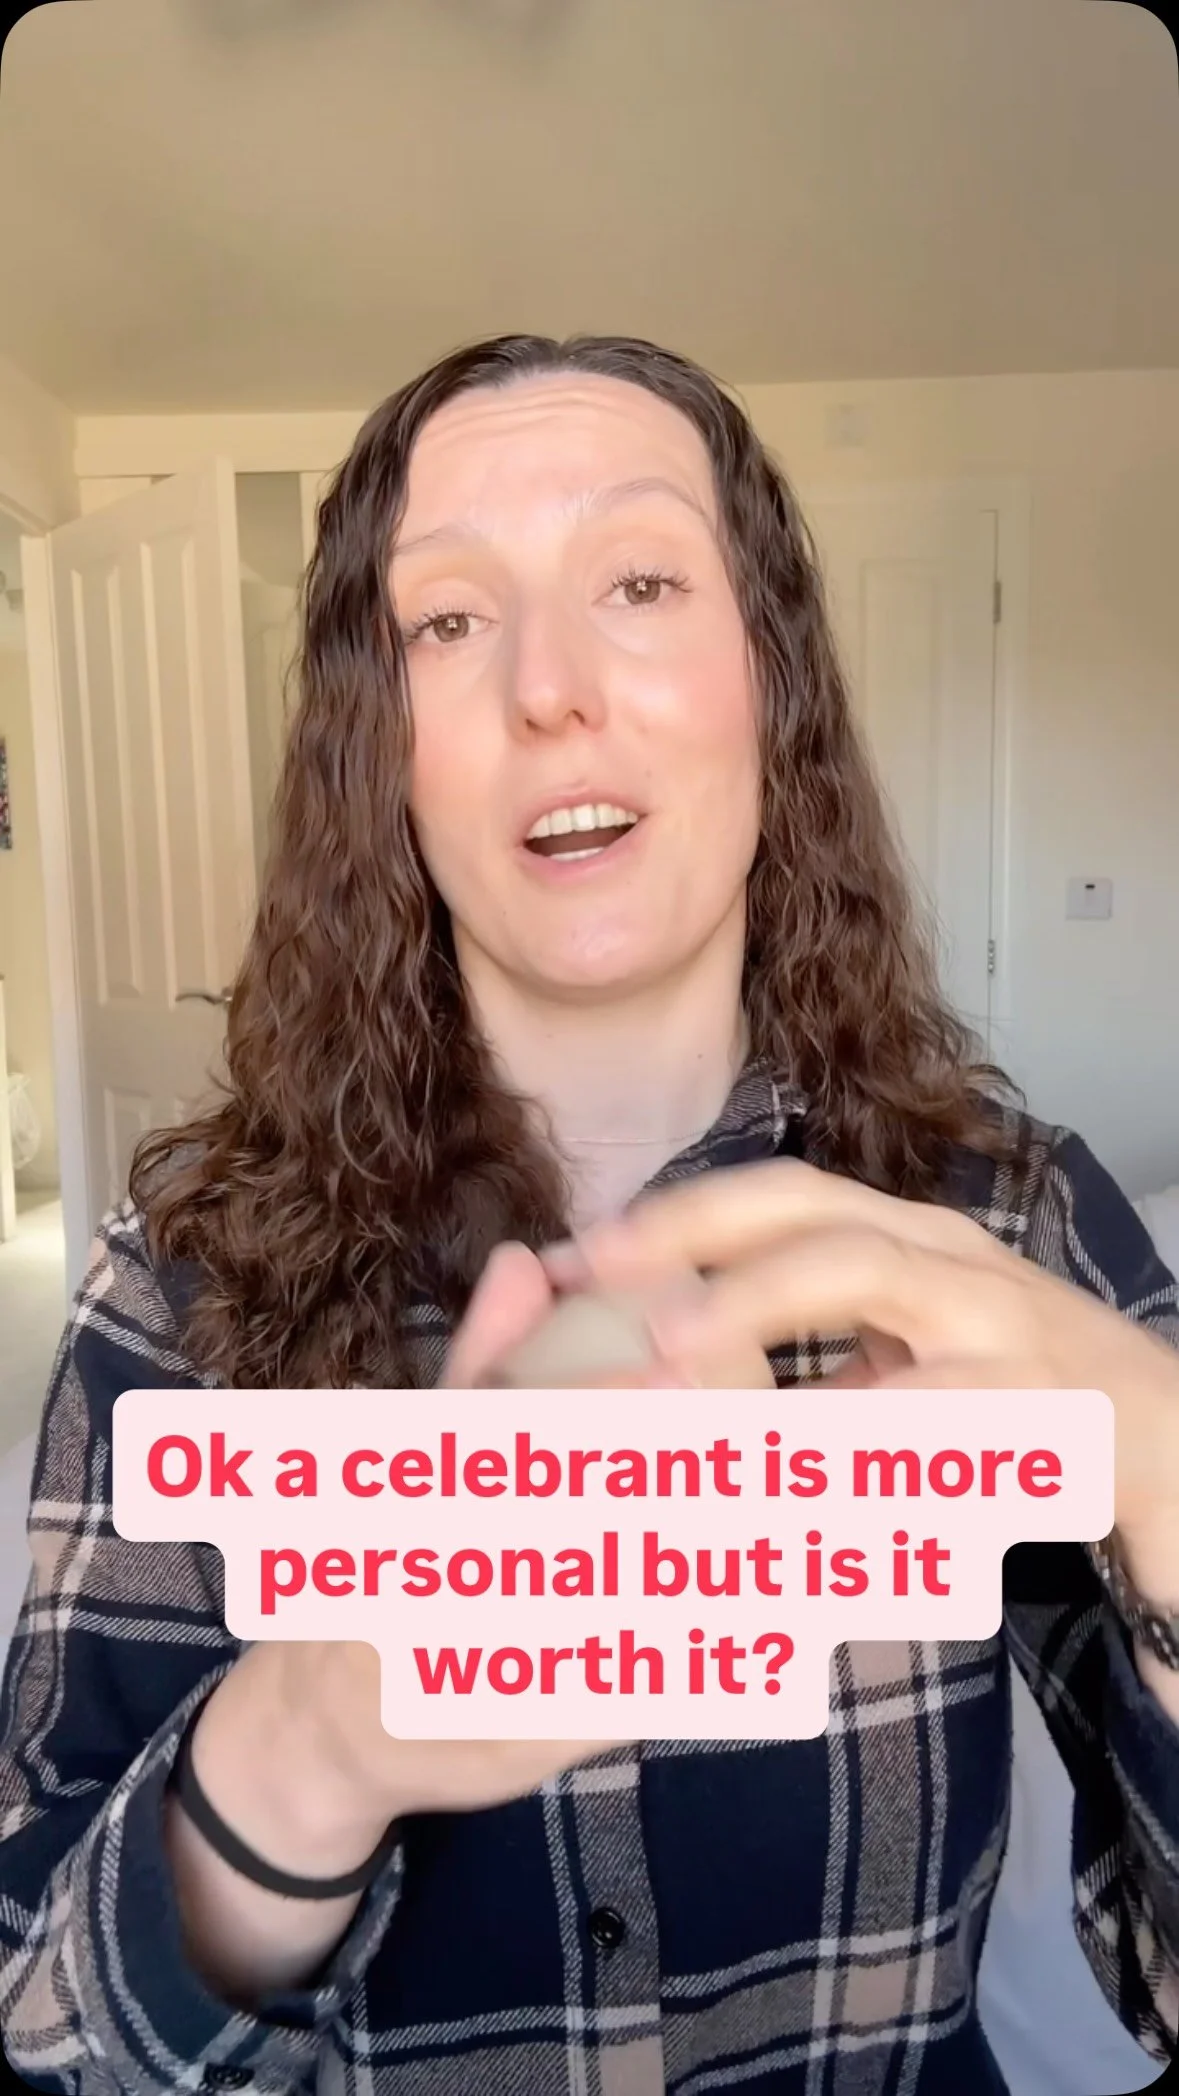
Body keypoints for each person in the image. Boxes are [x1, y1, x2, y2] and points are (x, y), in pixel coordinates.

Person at [0, 332, 1177, 2096]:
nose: (547, 689)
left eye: (638, 581)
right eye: (445, 620)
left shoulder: (1008, 1225)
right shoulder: (176, 1285)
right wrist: (307, 1747)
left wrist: (1163, 1464)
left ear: (771, 682)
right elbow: (41, 2029)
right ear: (378, 754)